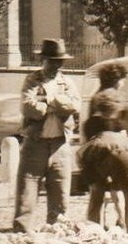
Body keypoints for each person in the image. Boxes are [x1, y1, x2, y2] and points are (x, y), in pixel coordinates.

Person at [13, 39, 81, 230]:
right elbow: (28, 108)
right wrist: (56, 105)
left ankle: (56, 231)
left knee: (60, 192)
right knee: (27, 190)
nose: (56, 65)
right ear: (43, 60)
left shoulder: (67, 82)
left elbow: (75, 105)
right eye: (52, 61)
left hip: (61, 144)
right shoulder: (32, 80)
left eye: (59, 61)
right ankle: (22, 232)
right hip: (35, 143)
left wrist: (48, 103)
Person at [78, 94, 128, 232]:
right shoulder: (120, 120)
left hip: (93, 154)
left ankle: (95, 230)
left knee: (97, 194)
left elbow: (84, 152)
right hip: (122, 152)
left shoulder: (91, 123)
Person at [85, 62, 128, 228]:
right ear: (116, 80)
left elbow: (89, 127)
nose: (123, 82)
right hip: (113, 149)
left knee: (99, 191)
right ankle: (121, 222)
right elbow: (126, 125)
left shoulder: (96, 98)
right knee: (116, 190)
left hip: (99, 150)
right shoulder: (114, 98)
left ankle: (97, 224)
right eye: (121, 79)